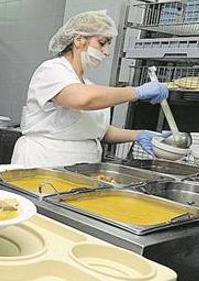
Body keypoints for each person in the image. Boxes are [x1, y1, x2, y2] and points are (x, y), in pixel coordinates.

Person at [10, 10, 170, 168]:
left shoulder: (87, 84)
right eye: (102, 43)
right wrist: (135, 92)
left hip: (81, 169)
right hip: (43, 164)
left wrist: (138, 134)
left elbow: (96, 130)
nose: (107, 52)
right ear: (79, 40)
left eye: (108, 45)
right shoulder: (51, 70)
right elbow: (81, 99)